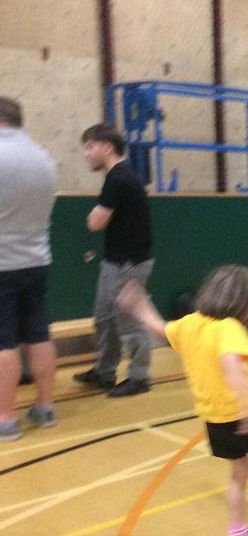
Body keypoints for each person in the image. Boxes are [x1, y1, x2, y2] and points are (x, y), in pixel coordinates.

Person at [118, 265, 248, 536]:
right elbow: (231, 366)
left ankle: (238, 534)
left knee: (240, 470)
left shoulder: (191, 324)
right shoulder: (229, 328)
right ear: (244, 306)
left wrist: (140, 306)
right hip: (242, 414)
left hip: (214, 420)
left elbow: (158, 328)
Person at [73, 124, 153, 397]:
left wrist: (94, 217)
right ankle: (104, 371)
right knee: (104, 318)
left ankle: (140, 377)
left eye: (90, 147)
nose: (86, 153)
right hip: (116, 261)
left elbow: (95, 222)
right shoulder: (118, 176)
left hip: (128, 264)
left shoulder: (119, 178)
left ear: (107, 147)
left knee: (129, 321)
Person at [0, 96, 58, 441]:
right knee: (39, 334)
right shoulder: (43, 158)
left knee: (3, 341)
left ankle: (5, 418)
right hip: (37, 260)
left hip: (2, 264)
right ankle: (45, 407)